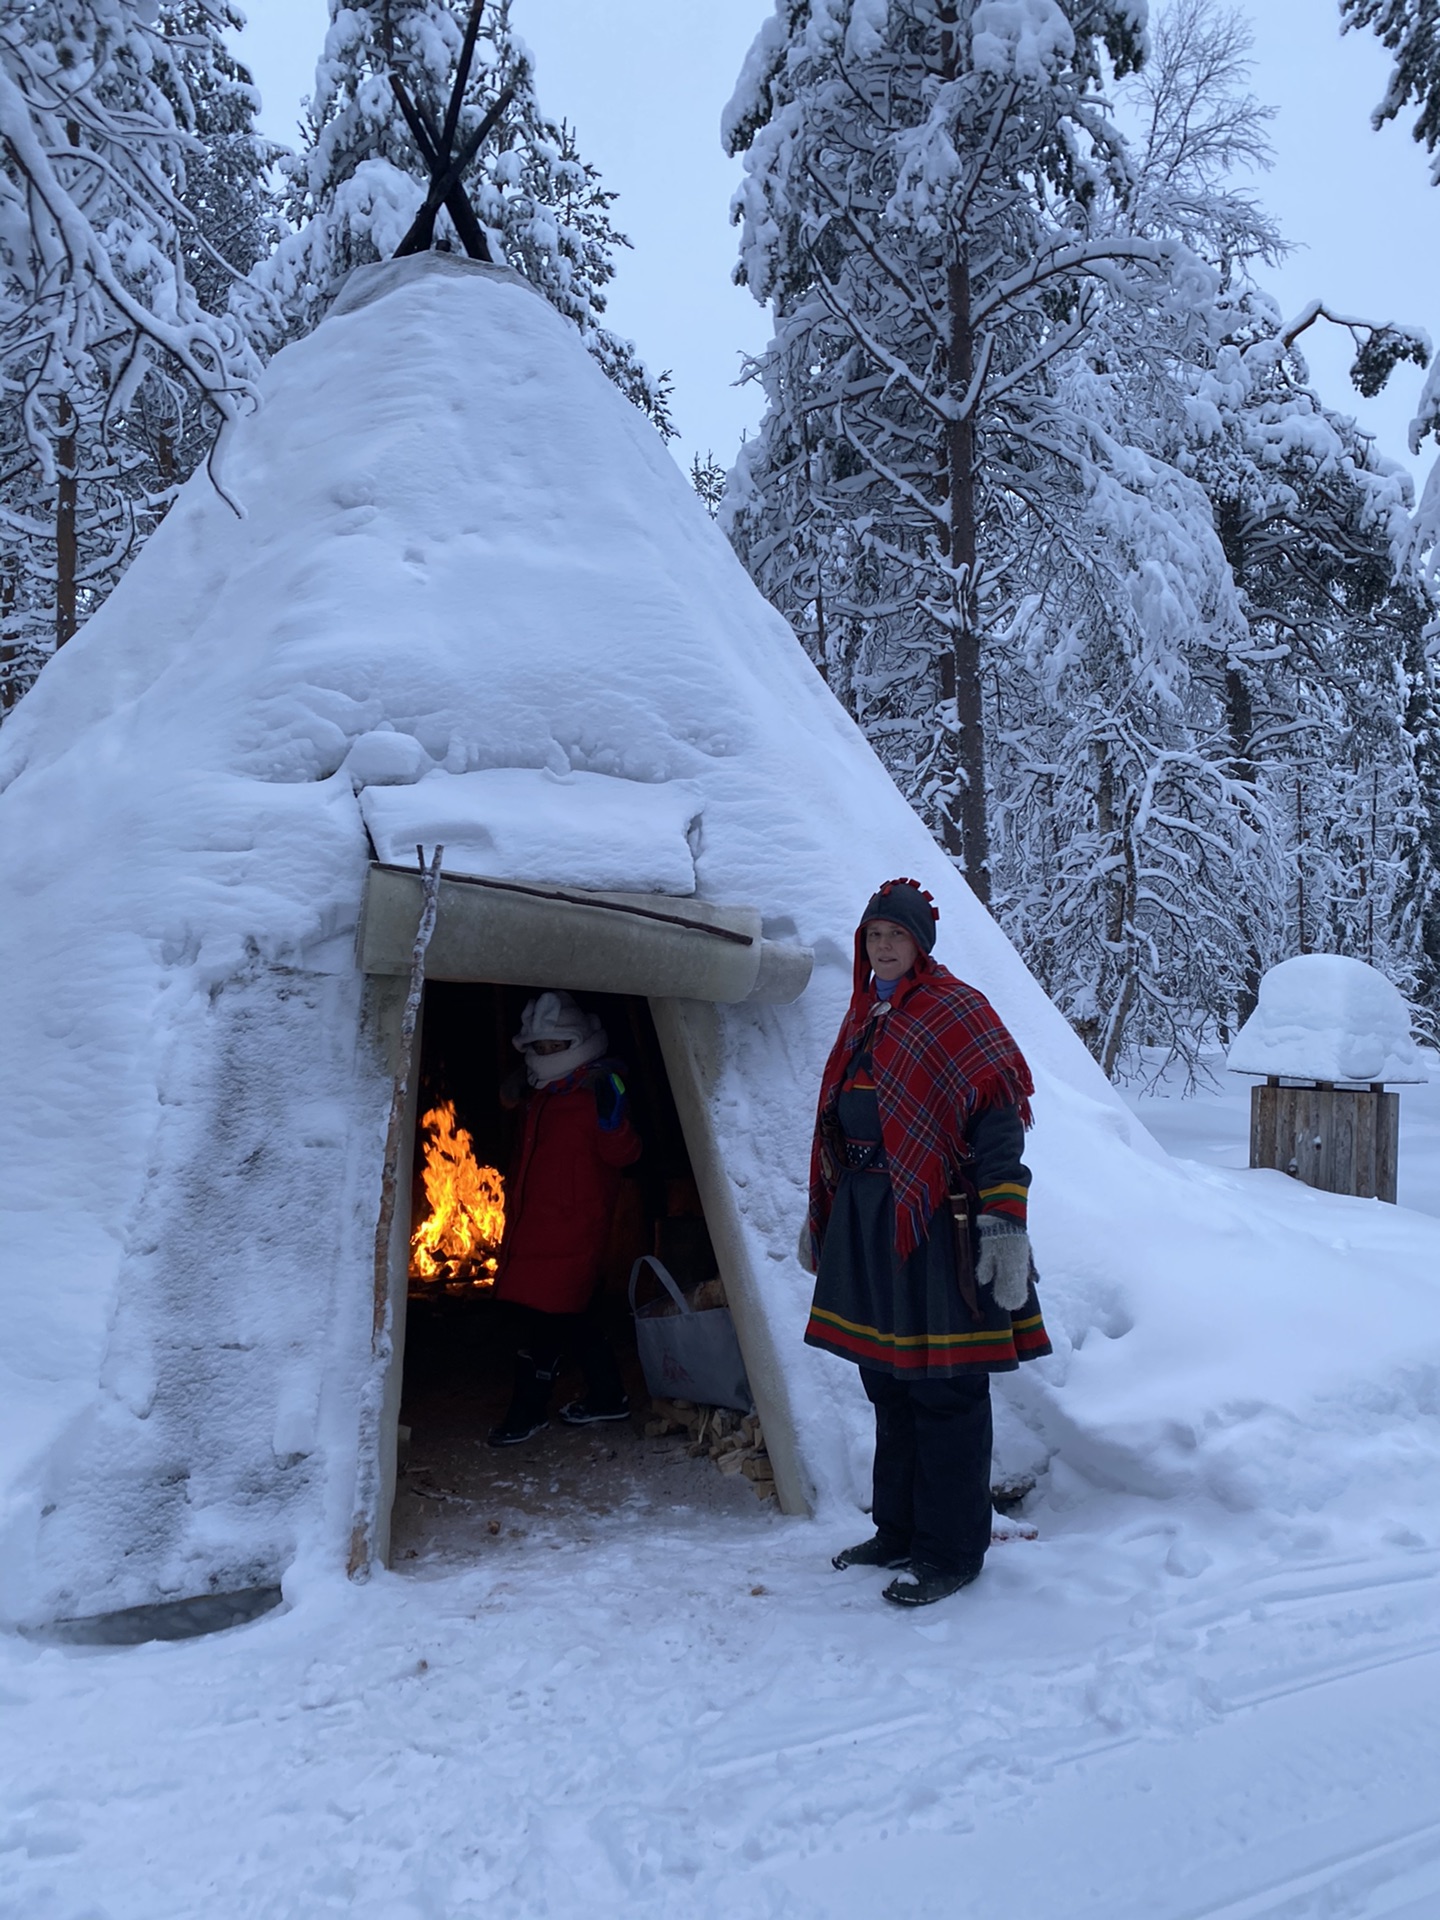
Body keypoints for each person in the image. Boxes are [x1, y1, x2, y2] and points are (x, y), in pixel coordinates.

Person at [802, 879, 1051, 1606]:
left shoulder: (956, 1012)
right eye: (874, 934)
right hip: (869, 1217)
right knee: (887, 1381)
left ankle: (953, 1551)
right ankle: (900, 1529)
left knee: (945, 1391)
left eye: (896, 935)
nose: (883, 945)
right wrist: (824, 1209)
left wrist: (1005, 1221)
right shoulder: (864, 1015)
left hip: (939, 1223)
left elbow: (999, 1121)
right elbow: (837, 1123)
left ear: (920, 945)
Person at [487, 990, 642, 1447]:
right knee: (577, 1316)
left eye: (556, 1045)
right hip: (536, 1224)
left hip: (574, 1227)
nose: (547, 1054)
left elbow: (625, 1155)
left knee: (545, 1322)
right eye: (540, 1046)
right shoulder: (540, 1096)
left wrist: (615, 1125)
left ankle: (526, 1411)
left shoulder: (595, 1090)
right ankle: (608, 1395)